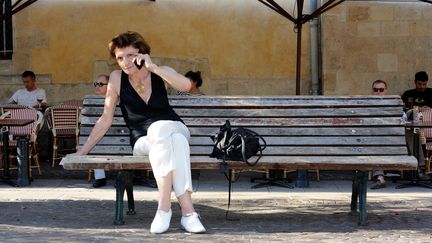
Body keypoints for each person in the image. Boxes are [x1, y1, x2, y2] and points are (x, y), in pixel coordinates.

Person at [71, 31, 205, 234]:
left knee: (166, 130)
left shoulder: (160, 71)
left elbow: (186, 86)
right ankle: (188, 214)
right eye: (119, 58)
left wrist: (154, 68)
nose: (125, 62)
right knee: (176, 142)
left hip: (174, 126)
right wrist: (83, 151)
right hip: (143, 141)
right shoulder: (116, 79)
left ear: (142, 54)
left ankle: (164, 209)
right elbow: (105, 118)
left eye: (130, 55)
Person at [92, 74, 109, 188]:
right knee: (95, 142)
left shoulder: (117, 100)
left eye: (101, 84)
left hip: (116, 135)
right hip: (101, 136)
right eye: (96, 84)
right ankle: (100, 177)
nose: (97, 86)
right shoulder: (91, 102)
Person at [370, 80, 388, 189]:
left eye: (381, 90)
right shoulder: (367, 105)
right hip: (375, 138)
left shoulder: (393, 103)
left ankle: (420, 170)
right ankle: (380, 177)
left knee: (414, 134)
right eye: (375, 90)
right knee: (376, 144)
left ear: (386, 91)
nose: (378, 92)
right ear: (372, 91)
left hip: (393, 138)